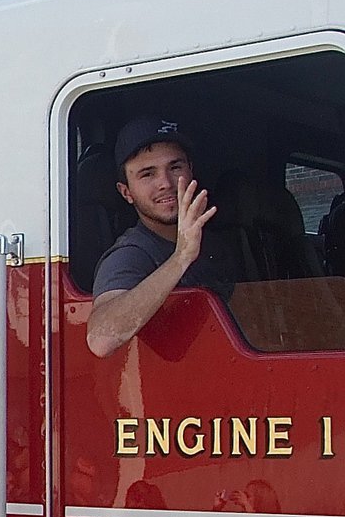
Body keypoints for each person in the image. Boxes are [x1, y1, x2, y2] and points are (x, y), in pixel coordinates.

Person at [86, 117, 234, 357]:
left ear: (191, 170)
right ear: (126, 192)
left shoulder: (217, 243)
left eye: (175, 167)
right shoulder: (129, 255)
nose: (165, 183)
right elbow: (101, 340)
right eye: (147, 174)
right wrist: (182, 256)